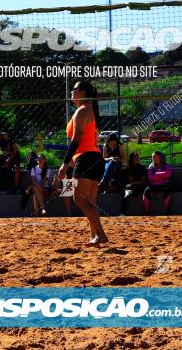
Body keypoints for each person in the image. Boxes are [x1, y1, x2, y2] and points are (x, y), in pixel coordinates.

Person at [57, 80, 108, 245]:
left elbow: (77, 138)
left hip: (86, 159)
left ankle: (100, 234)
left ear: (83, 93)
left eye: (75, 89)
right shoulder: (89, 110)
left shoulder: (83, 110)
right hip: (93, 158)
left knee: (79, 199)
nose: (72, 91)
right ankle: (95, 236)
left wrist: (65, 163)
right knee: (89, 202)